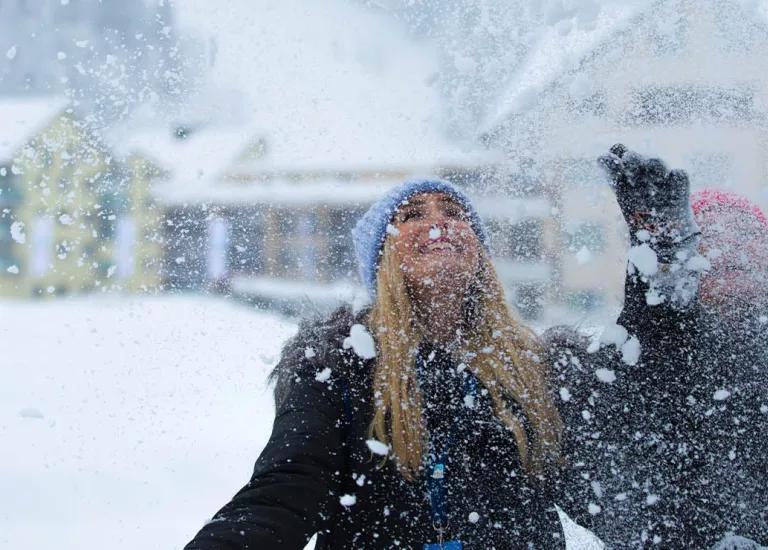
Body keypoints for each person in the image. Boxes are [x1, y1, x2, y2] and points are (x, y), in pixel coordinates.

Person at [184, 179, 566, 549]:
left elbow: (614, 456)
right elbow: (285, 491)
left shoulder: (534, 367)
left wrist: (631, 246)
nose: (440, 222)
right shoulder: (336, 365)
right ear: (383, 257)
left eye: (454, 212)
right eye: (413, 214)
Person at [548, 145, 768, 548]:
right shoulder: (644, 353)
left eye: (748, 233)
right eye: (711, 234)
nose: (732, 245)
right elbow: (663, 324)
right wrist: (664, 254)